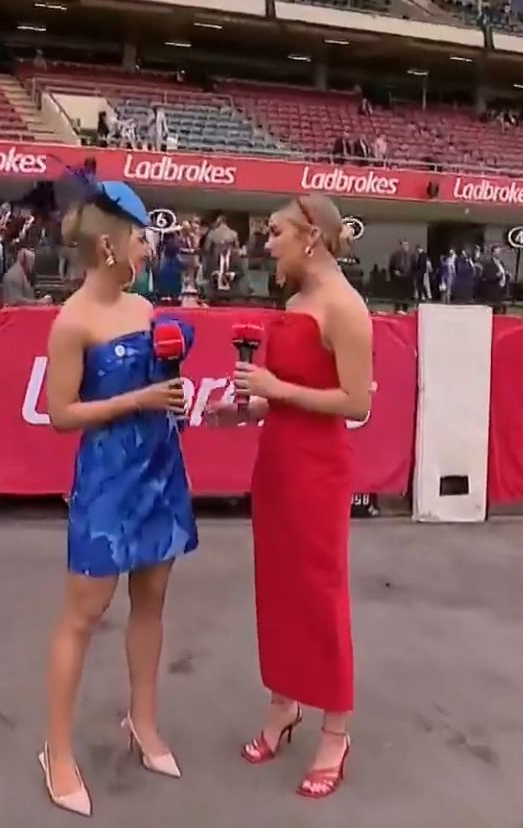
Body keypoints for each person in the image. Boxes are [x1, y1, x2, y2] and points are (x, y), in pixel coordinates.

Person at [40, 179, 197, 818]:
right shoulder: (72, 322)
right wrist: (139, 398)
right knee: (83, 615)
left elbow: (159, 386)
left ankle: (144, 721)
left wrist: (172, 386)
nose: (148, 248)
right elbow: (61, 414)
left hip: (160, 469)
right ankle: (57, 751)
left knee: (151, 602)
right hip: (107, 480)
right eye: (140, 238)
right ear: (109, 246)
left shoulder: (145, 308)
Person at [208, 194, 373, 800]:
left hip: (318, 471)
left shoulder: (346, 308)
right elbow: (285, 394)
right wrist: (247, 408)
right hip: (275, 463)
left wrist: (274, 389)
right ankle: (284, 704)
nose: (267, 243)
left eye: (276, 232)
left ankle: (336, 730)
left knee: (320, 596)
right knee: (276, 589)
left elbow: (356, 401)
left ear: (311, 237)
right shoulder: (297, 303)